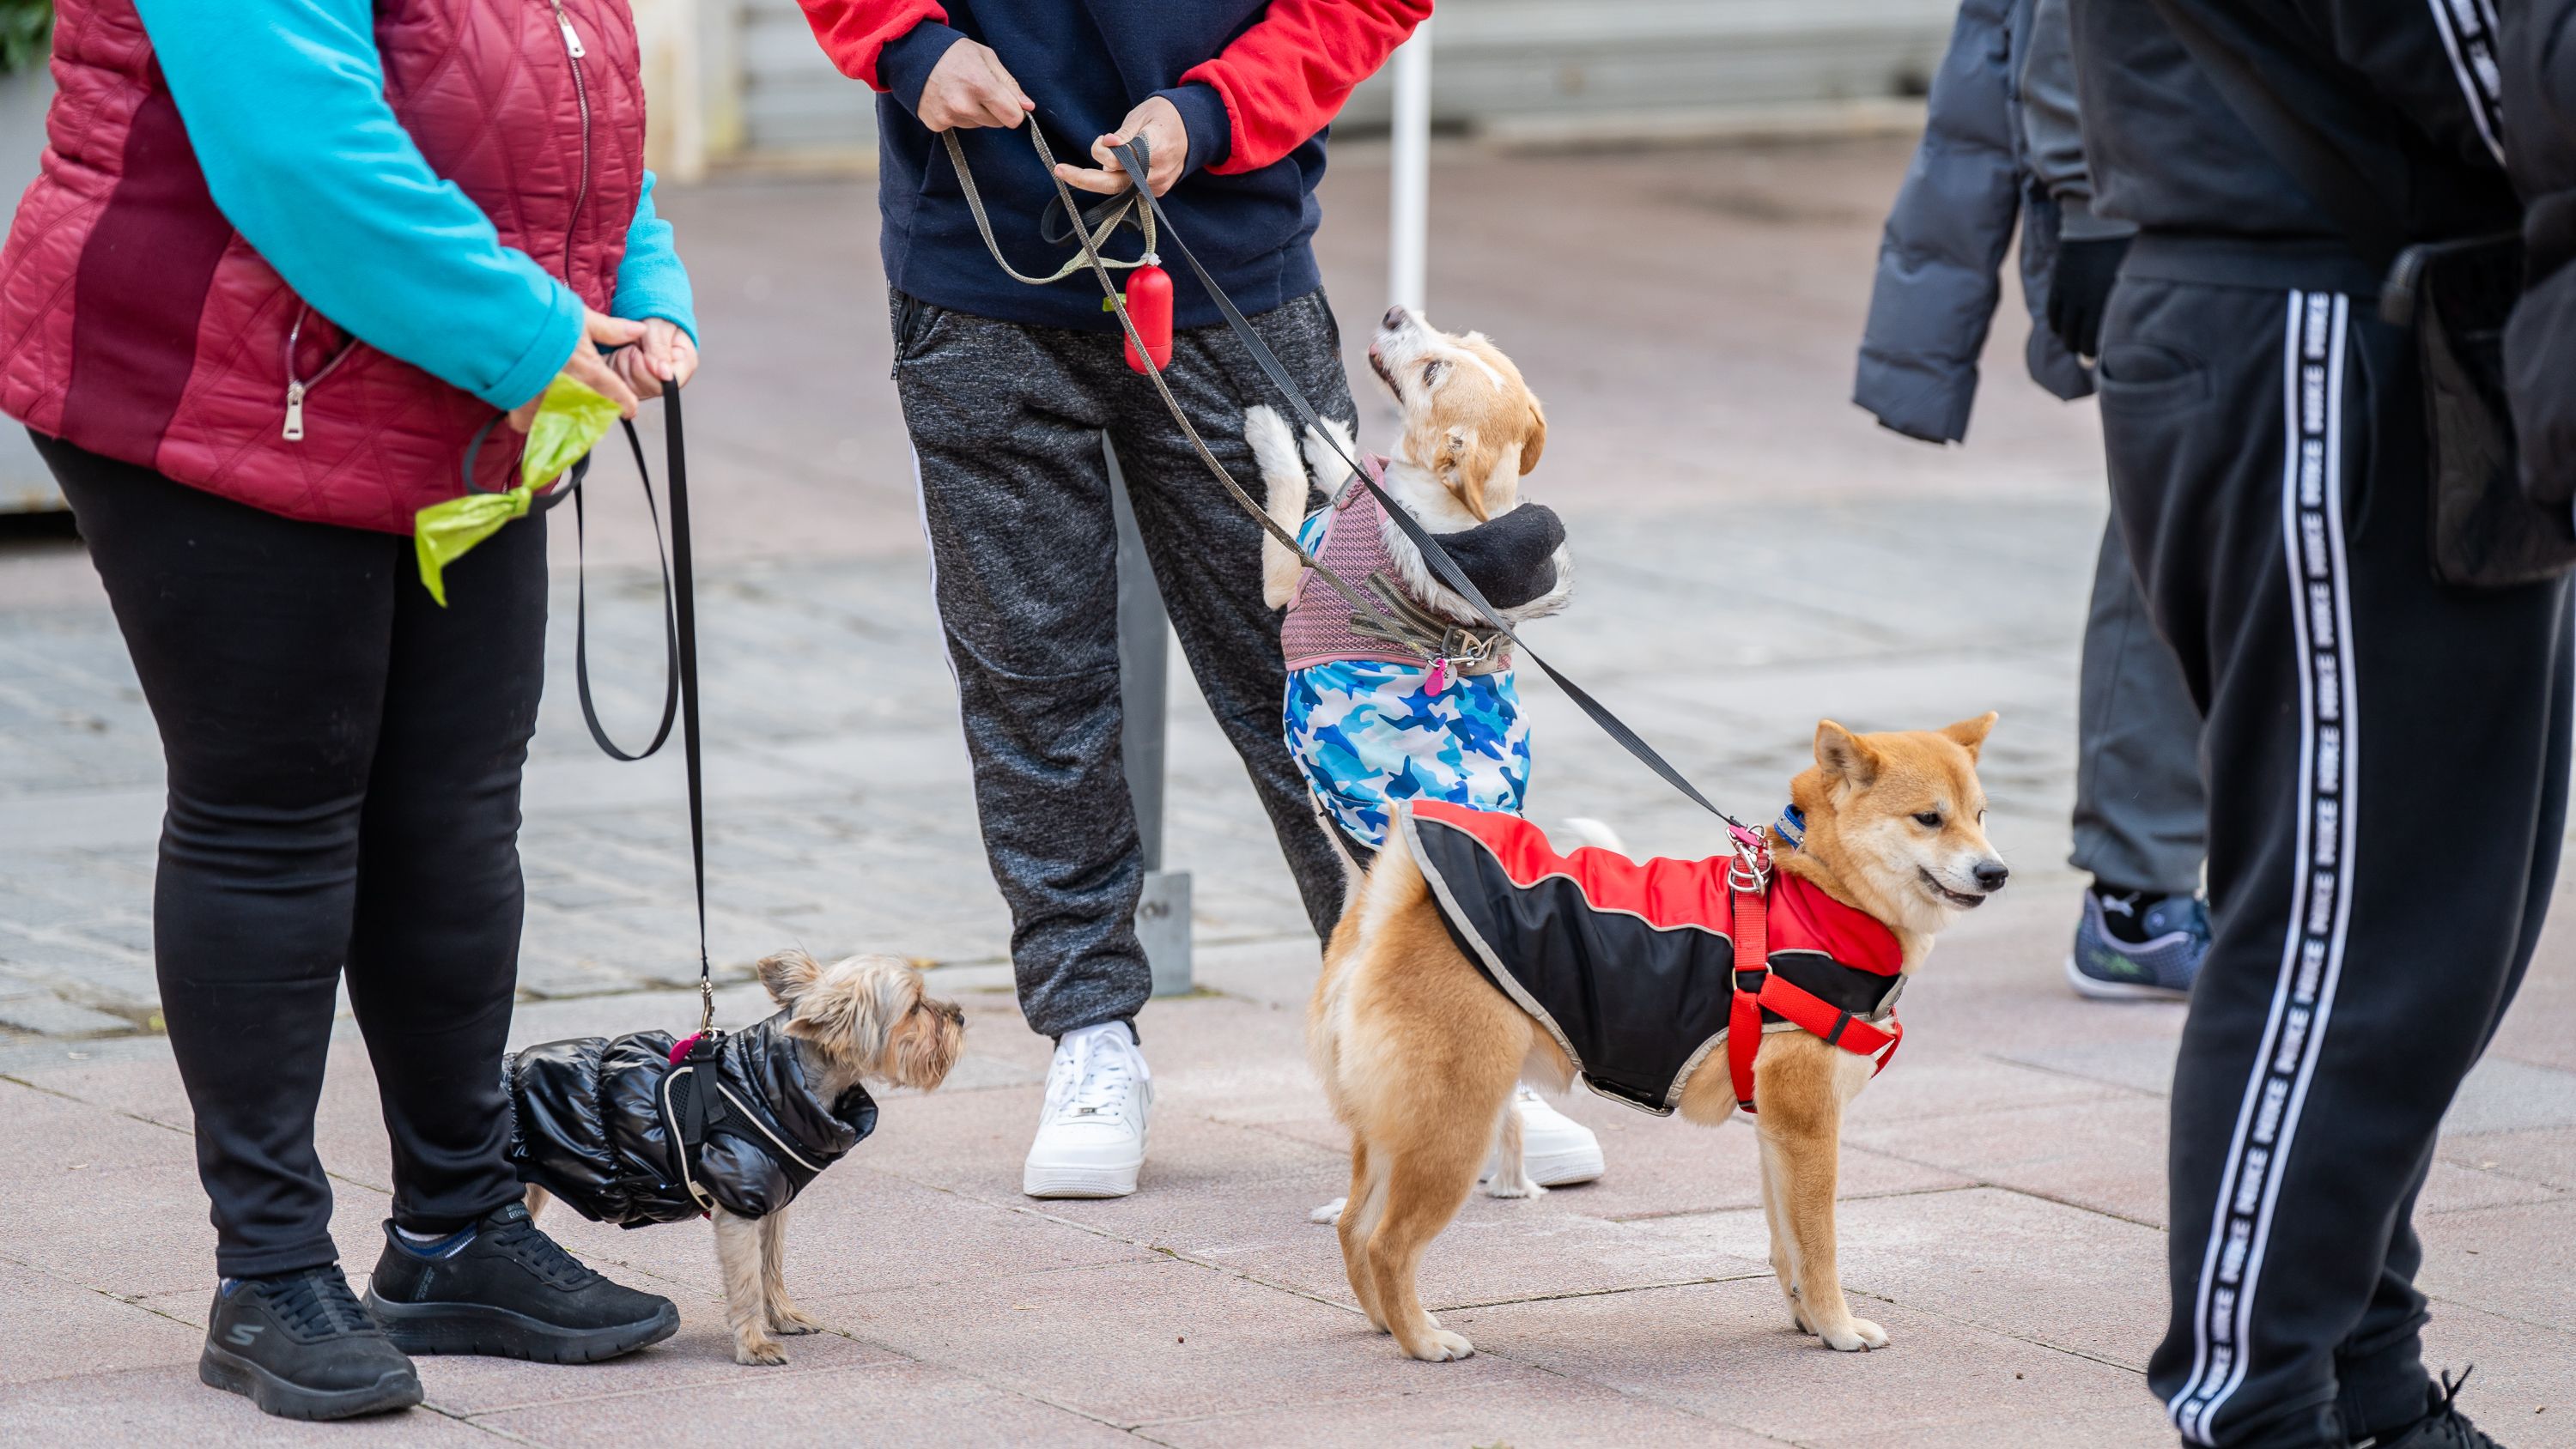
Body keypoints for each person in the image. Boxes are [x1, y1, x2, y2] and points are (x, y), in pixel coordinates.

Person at [0, 0, 702, 1422]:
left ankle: (458, 1228)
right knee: (273, 818)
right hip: (218, 387)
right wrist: (531, 328)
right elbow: (300, 153)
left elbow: (576, 85)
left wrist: (642, 285)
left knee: (452, 817)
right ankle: (268, 1274)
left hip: (456, 388)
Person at [792, 0, 1605, 1200]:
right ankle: (1090, 1034)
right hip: (979, 261)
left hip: (1227, 255)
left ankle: (1451, 1031)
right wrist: (909, 45)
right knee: (1031, 681)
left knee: (1352, 676)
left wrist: (1214, 113)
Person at [2070, 2, 2561, 1446]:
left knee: (2421, 936)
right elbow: (2504, 73)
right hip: (2319, 330)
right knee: (2344, 943)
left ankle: (2367, 1385)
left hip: (2357, 321)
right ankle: (2261, 1408)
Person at [1856, 0, 2209, 1005]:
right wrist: (2094, 212)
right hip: (2177, 217)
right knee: (2172, 524)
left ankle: (2317, 877)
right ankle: (2138, 900)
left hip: (2336, 210)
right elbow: (2067, 35)